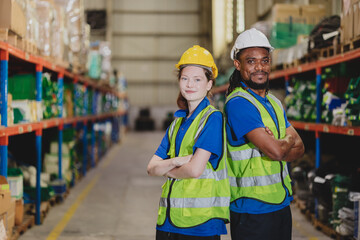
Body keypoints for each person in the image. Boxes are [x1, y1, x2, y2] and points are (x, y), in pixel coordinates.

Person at [224, 28, 305, 240]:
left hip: (280, 203)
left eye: (265, 60)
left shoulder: (275, 103)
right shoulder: (239, 103)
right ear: (238, 64)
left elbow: (300, 148)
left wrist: (278, 144)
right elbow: (278, 151)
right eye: (251, 61)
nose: (259, 67)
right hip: (251, 211)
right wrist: (284, 142)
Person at [147, 45, 230, 240]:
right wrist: (176, 161)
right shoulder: (177, 123)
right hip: (168, 222)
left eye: (197, 79)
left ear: (209, 84)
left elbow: (194, 170)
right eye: (185, 78)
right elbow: (151, 168)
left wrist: (165, 169)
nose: (189, 84)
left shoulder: (212, 119)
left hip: (199, 226)